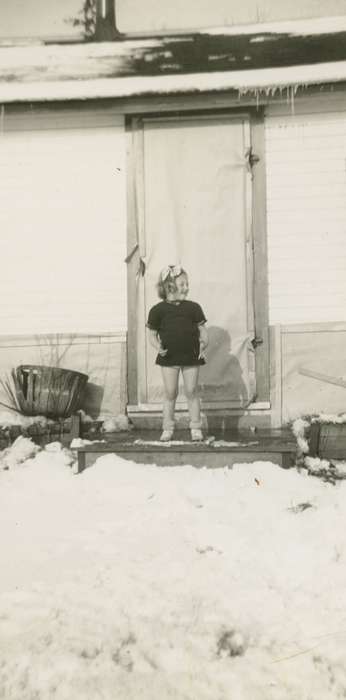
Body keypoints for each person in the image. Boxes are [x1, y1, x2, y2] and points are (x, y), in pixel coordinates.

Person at [147, 264, 208, 442]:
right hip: (169, 358)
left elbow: (203, 329)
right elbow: (152, 335)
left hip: (191, 356)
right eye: (182, 284)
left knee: (191, 391)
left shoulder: (193, 308)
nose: (186, 287)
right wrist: (158, 346)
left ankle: (195, 427)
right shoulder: (157, 310)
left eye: (187, 284)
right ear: (169, 287)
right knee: (170, 392)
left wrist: (205, 341)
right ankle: (168, 427)